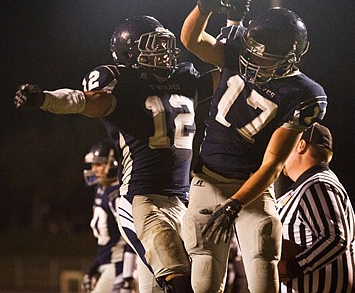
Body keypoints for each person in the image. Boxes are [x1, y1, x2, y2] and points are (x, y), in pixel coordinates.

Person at [14, 15, 216, 293]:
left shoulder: (184, 79)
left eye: (163, 43)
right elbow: (84, 101)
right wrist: (44, 98)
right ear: (130, 54)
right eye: (153, 45)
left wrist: (236, 31)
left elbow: (229, 77)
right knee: (180, 281)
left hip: (184, 199)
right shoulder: (124, 85)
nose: (164, 51)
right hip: (143, 199)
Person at [179, 0, 328, 292]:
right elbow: (192, 40)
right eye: (252, 54)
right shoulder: (240, 45)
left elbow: (273, 163)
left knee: (263, 260)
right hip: (207, 179)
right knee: (204, 275)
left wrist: (237, 203)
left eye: (266, 58)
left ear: (293, 56)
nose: (254, 63)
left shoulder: (306, 94)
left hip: (253, 188)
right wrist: (203, 10)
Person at [277, 123, 355, 292]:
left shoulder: (317, 184)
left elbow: (335, 237)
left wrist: (292, 267)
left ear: (301, 145)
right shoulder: (302, 189)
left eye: (287, 142)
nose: (281, 149)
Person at [80, 140, 137, 293]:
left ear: (113, 163)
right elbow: (106, 243)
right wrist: (93, 269)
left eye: (99, 164)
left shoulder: (117, 194)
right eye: (93, 165)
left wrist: (126, 273)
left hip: (119, 265)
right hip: (107, 263)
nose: (94, 169)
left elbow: (130, 236)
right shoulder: (102, 190)